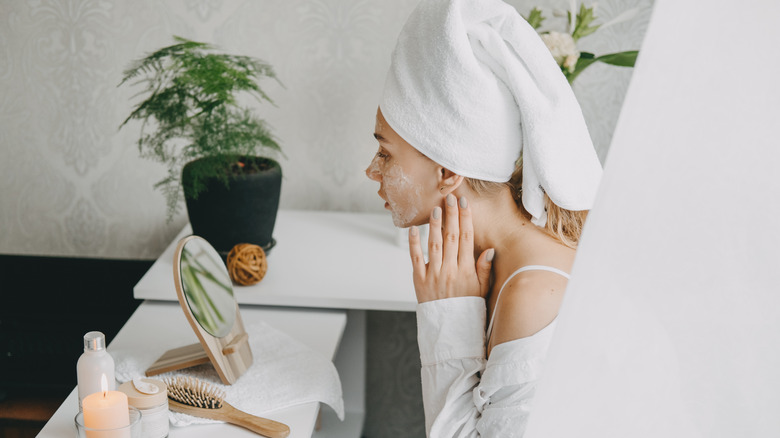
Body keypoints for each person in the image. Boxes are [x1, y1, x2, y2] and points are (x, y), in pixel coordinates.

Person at [365, 0, 602, 436]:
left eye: (385, 152)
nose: (372, 170)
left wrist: (449, 319)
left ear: (449, 170)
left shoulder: (534, 294)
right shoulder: (497, 260)